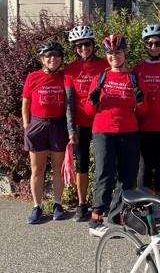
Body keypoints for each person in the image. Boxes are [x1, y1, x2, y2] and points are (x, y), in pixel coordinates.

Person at [85, 35, 147, 237]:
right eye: (110, 53)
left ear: (124, 53)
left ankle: (119, 214)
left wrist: (141, 101)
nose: (114, 56)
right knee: (104, 172)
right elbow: (88, 111)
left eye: (117, 52)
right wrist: (92, 100)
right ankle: (95, 220)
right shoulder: (100, 78)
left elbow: (143, 112)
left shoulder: (134, 78)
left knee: (128, 175)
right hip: (103, 131)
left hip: (129, 131)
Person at [64, 26, 109, 222]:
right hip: (81, 123)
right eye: (79, 45)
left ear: (93, 45)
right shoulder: (70, 69)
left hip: (101, 122)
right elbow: (69, 102)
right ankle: (82, 204)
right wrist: (71, 128)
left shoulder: (104, 66)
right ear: (74, 48)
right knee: (81, 165)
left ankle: (100, 203)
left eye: (87, 44)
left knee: (103, 164)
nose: (83, 48)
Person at [22, 41, 69, 224]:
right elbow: (25, 103)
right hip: (37, 125)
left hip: (58, 125)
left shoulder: (65, 77)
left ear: (61, 58)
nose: (53, 58)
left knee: (58, 168)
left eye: (56, 55)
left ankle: (57, 203)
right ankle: (37, 206)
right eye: (48, 55)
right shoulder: (33, 77)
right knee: (37, 169)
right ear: (42, 59)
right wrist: (27, 126)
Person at [133, 24, 160, 206]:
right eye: (149, 44)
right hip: (143, 126)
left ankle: (156, 202)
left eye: (157, 43)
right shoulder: (138, 69)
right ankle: (143, 203)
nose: (153, 47)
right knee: (144, 167)